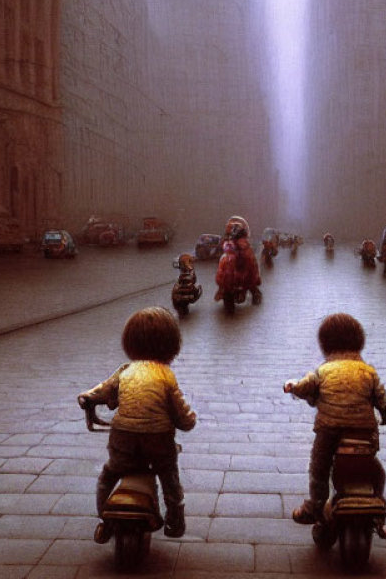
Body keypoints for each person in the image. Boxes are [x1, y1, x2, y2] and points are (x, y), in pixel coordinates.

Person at [78, 306, 196, 542]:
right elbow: (180, 411)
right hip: (158, 438)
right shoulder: (165, 375)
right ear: (171, 345)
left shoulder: (125, 370)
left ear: (129, 342)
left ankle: (104, 519)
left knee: (110, 473)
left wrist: (87, 397)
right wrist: (189, 421)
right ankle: (175, 518)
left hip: (123, 435)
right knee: (169, 476)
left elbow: (103, 390)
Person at [283, 312, 386, 524]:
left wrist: (292, 387)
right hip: (363, 433)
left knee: (319, 468)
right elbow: (382, 399)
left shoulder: (323, 370)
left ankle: (314, 507)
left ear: (325, 344)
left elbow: (304, 387)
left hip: (329, 431)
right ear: (359, 342)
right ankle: (377, 501)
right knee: (375, 469)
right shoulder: (368, 372)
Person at [214, 215, 262, 304]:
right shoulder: (228, 243)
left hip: (243, 267)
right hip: (231, 267)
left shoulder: (244, 244)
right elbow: (224, 248)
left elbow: (250, 260)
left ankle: (254, 292)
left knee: (251, 270)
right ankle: (223, 289)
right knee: (224, 267)